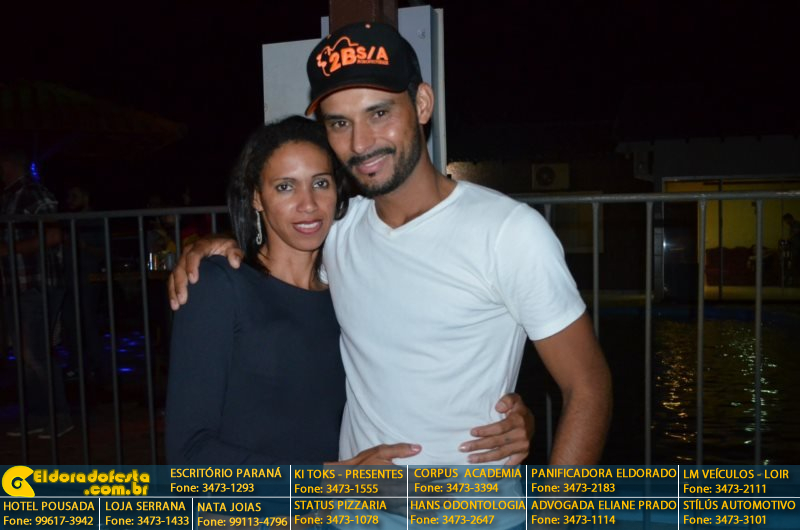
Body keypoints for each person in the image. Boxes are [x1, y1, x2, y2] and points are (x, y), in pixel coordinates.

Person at [171, 22, 608, 466]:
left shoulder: (509, 232)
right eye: (340, 123)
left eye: (379, 113)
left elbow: (587, 386)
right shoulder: (339, 231)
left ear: (422, 104)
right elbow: (280, 255)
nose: (360, 143)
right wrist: (214, 244)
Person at [165, 116, 529, 465]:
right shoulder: (217, 286)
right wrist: (332, 480)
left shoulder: (346, 287)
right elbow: (187, 454)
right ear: (256, 197)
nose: (308, 204)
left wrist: (516, 416)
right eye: (285, 187)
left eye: (321, 183)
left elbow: (420, 372)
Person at [1, 151, 73, 438]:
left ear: (10, 163)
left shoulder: (33, 192)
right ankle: (38, 416)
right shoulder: (9, 196)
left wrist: (9, 250)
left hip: (38, 283)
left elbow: (54, 235)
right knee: (24, 355)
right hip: (16, 285)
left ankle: (59, 416)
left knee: (35, 353)